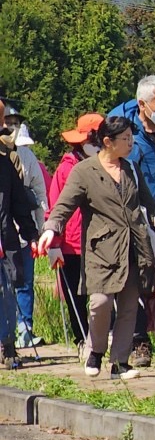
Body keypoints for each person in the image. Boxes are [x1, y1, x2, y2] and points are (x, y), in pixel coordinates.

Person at [39, 116, 155, 380]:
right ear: (107, 141)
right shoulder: (84, 171)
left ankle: (120, 363)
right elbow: (64, 205)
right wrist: (51, 229)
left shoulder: (131, 169)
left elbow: (150, 204)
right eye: (125, 139)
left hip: (133, 248)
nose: (130, 143)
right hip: (102, 250)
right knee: (100, 302)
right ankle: (95, 350)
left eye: (131, 138)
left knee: (128, 307)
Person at [109, 75, 155, 369]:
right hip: (137, 219)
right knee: (136, 283)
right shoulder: (124, 135)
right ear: (142, 105)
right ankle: (139, 341)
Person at [43, 113, 105, 355]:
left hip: (99, 241)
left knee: (101, 294)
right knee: (76, 296)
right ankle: (82, 339)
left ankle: (101, 338)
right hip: (71, 242)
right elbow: (55, 206)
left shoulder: (108, 164)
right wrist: (54, 243)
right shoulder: (66, 168)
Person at [4, 106, 49, 349]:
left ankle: (25, 329)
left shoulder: (27, 156)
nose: (11, 127)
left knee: (25, 282)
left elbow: (39, 192)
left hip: (23, 230)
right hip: (4, 232)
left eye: (14, 123)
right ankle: (7, 334)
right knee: (4, 285)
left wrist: (39, 230)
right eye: (7, 122)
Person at [0, 98, 39, 370]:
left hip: (5, 238)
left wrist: (31, 233)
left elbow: (18, 203)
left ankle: (7, 345)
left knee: (7, 291)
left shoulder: (5, 163)